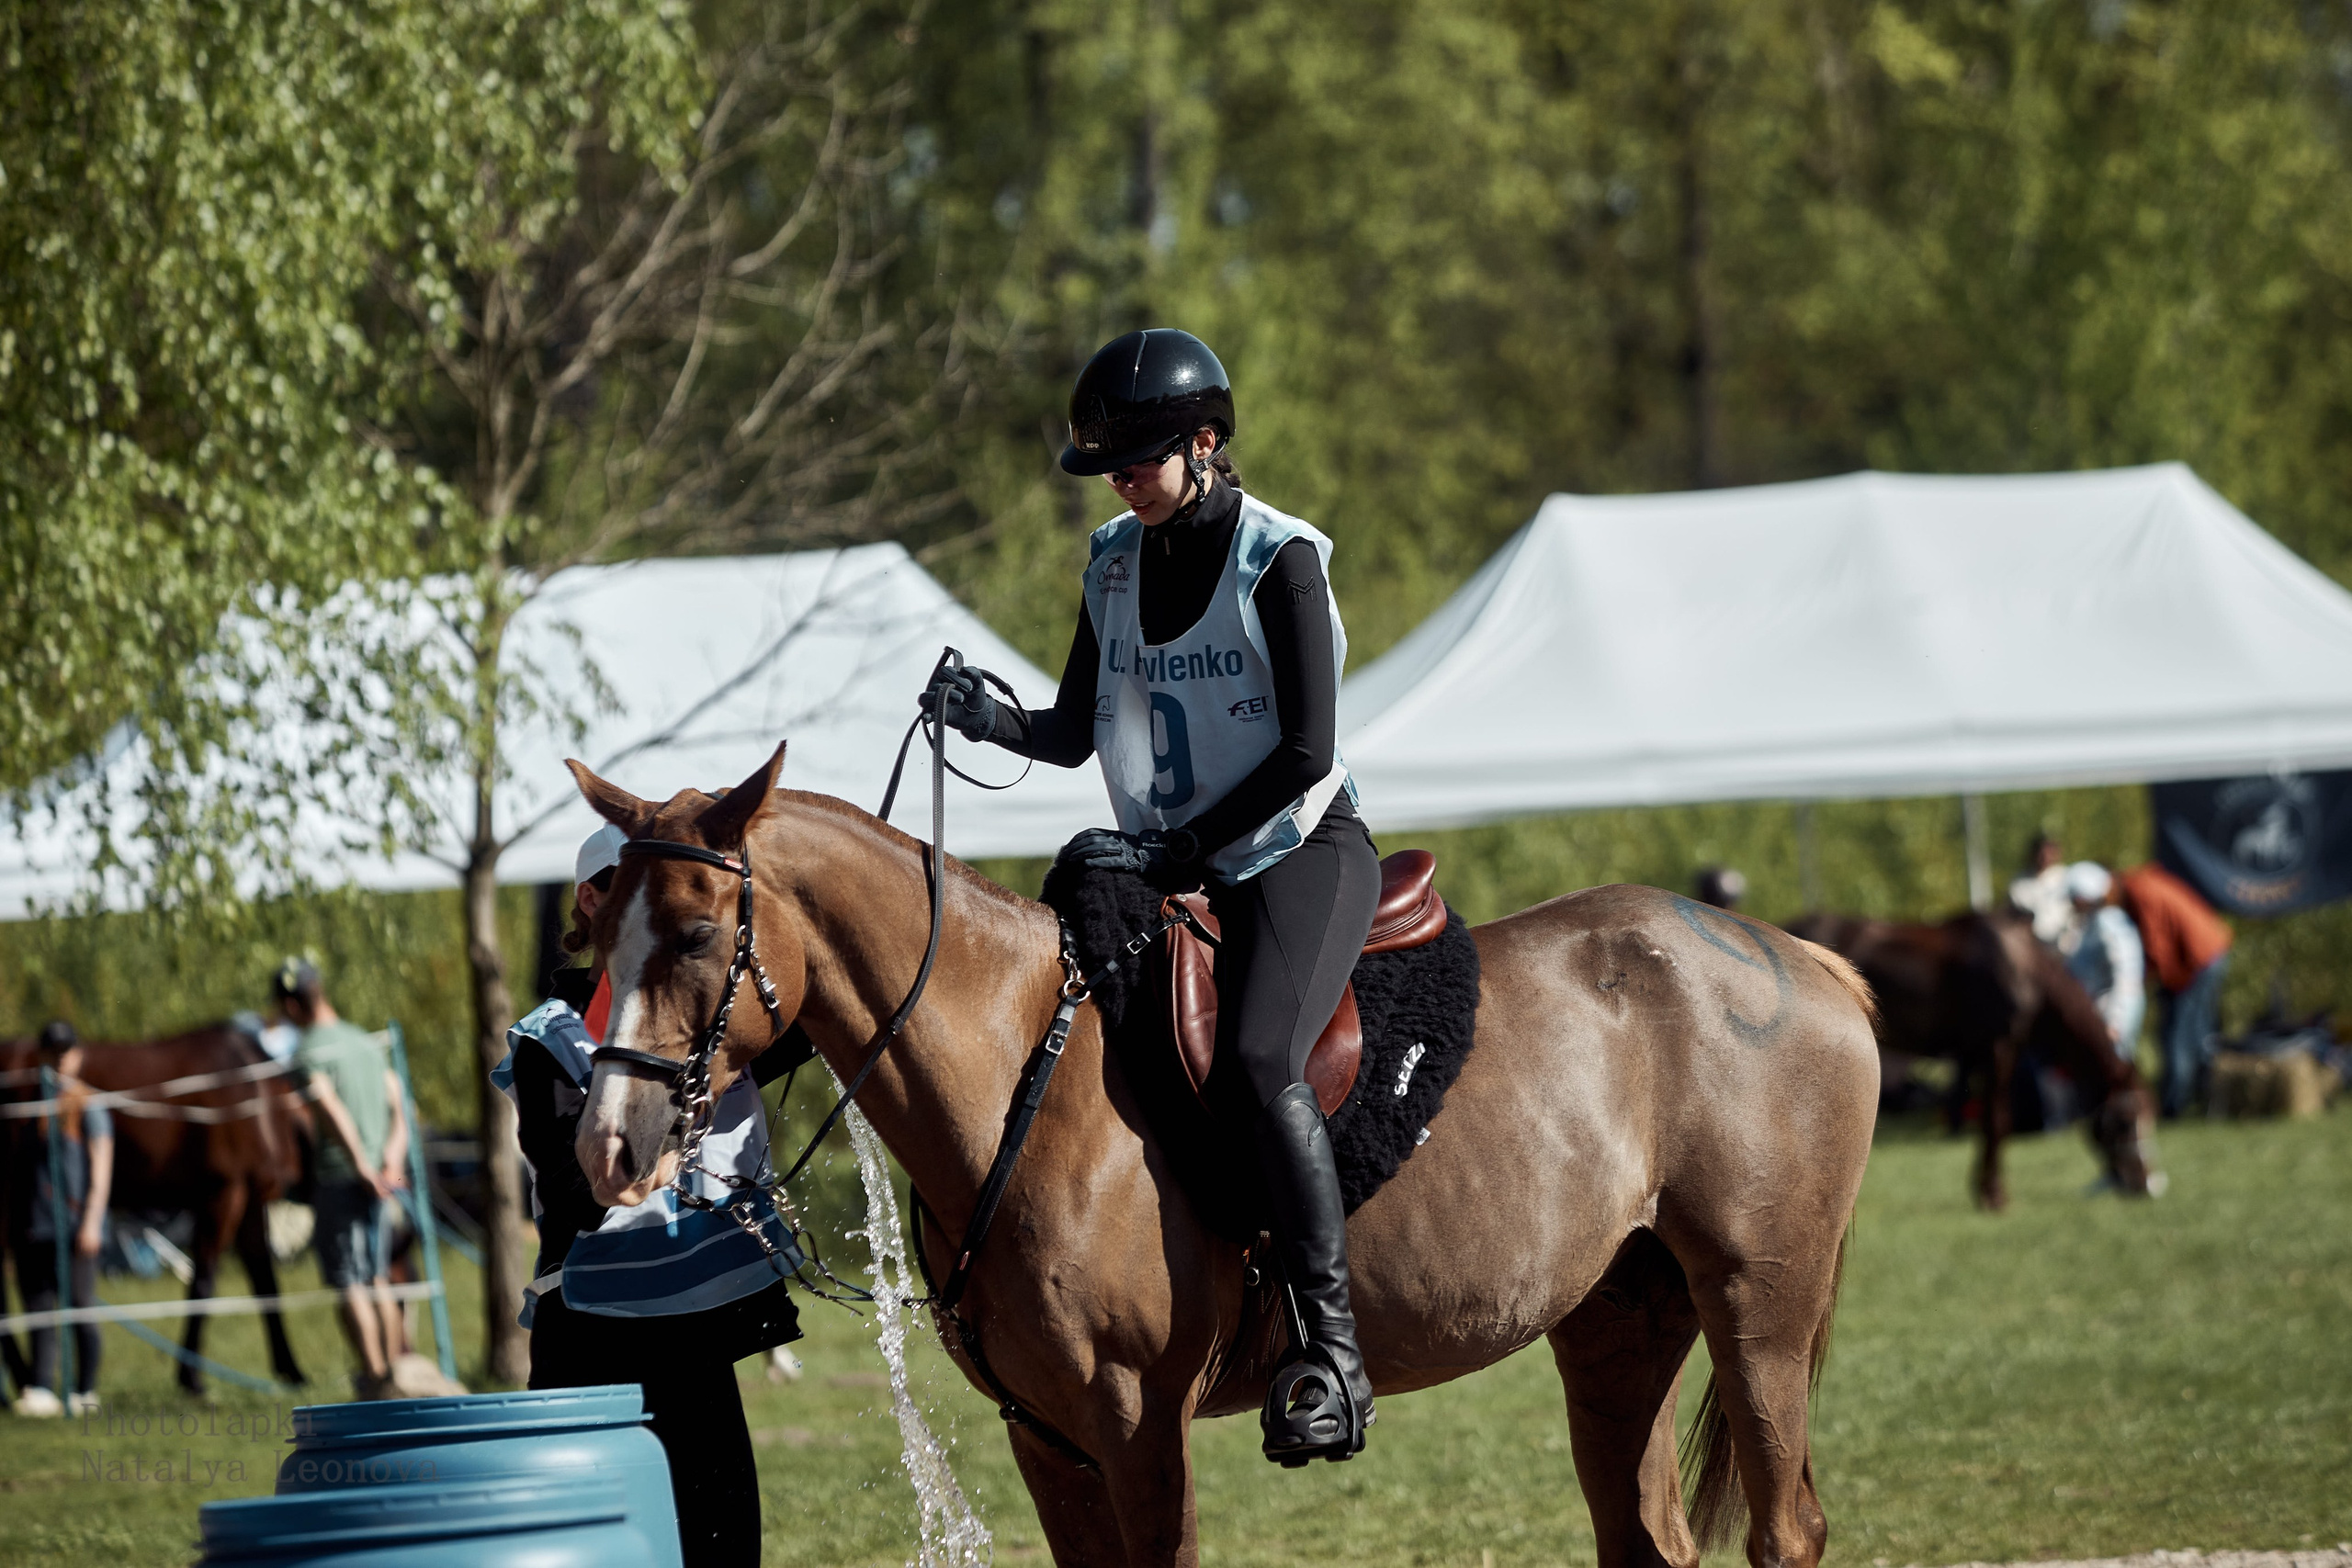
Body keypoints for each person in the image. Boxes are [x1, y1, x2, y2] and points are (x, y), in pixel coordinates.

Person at [922, 327, 1379, 1464]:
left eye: (1137, 460)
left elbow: (1305, 754)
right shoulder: (1113, 560)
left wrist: (1181, 853)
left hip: (1298, 851)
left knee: (1261, 1058)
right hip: (1166, 864)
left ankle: (1332, 1355)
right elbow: (1077, 732)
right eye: (1109, 467)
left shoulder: (1280, 558)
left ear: (1205, 443)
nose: (1121, 481)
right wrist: (990, 720)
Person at [491, 823, 806, 1568]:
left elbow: (819, 1013)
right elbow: (573, 1193)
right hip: (590, 1337)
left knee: (724, 1549)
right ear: (591, 900)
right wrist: (653, 1155)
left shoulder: (713, 1021)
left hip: (693, 1331)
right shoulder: (548, 1038)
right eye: (624, 886)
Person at [278, 960, 411, 1397]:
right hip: (381, 1180)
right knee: (375, 1278)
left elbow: (329, 1108)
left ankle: (375, 1378)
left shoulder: (307, 1051)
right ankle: (393, 1373)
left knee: (349, 1282)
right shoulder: (364, 1042)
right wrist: (391, 1161)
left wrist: (360, 1166)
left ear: (291, 1005)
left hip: (342, 1178)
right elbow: (399, 1106)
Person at [7, 1021, 111, 1417]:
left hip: (75, 1225)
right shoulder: (29, 1104)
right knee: (38, 1308)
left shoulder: (88, 1104)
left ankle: (86, 1389)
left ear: (78, 1054)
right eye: (51, 1052)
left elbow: (101, 1169)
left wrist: (91, 1221)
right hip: (37, 1223)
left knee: (81, 1306)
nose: (59, 1060)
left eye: (66, 1051)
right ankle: (41, 1386)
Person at [2115, 863, 2233, 1118]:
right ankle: (2208, 1101)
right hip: (2209, 951)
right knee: (2200, 1034)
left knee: (2178, 1036)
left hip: (2197, 961)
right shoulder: (2144, 882)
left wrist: (2136, 986)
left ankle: (2174, 1107)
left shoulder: (2139, 894)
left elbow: (2157, 949)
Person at [2062, 863, 2145, 1055]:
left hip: (2111, 1021)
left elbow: (2127, 976)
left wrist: (2116, 1023)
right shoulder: (2092, 923)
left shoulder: (2109, 923)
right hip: (2097, 1016)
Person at [2008, 832, 2082, 954]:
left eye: (2049, 853)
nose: (2044, 857)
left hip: (2063, 947)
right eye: (2041, 853)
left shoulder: (2066, 878)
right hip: (2032, 948)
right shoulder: (2019, 883)